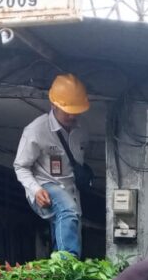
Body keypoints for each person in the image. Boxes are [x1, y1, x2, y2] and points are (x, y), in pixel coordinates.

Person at [13, 73, 90, 258]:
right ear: (54, 105)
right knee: (67, 211)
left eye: (76, 111)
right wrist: (36, 190)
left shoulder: (82, 132)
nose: (72, 115)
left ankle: (59, 273)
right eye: (67, 111)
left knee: (70, 229)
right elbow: (20, 166)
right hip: (44, 186)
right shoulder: (36, 130)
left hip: (72, 193)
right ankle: (67, 267)